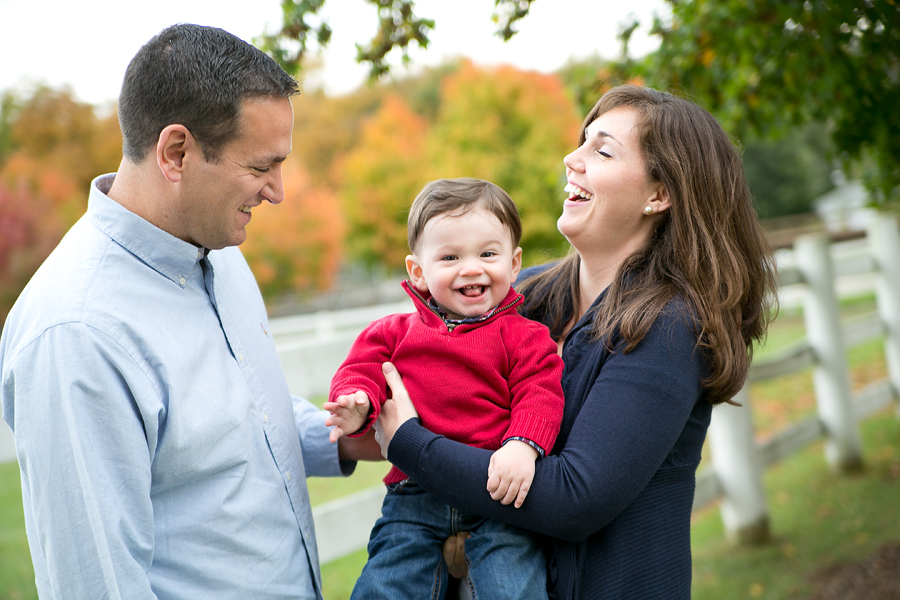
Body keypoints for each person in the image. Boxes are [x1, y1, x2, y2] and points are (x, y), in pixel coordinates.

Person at [0, 23, 376, 600]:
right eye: (260, 167)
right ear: (177, 152)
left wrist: (349, 436)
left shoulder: (219, 254)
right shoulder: (76, 334)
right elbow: (95, 585)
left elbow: (238, 422)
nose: (277, 191)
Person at [372, 84, 778, 599]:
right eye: (581, 142)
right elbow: (438, 394)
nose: (572, 158)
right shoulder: (522, 295)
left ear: (659, 195)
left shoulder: (669, 325)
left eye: (601, 150)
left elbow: (573, 498)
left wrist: (410, 445)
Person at [325, 178, 565, 599]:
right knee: (385, 584)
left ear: (513, 263)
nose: (471, 268)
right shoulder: (394, 333)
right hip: (412, 496)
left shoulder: (525, 337)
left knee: (514, 587)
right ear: (418, 272)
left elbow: (541, 393)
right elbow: (362, 368)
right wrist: (357, 401)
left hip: (494, 493)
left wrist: (523, 445)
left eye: (488, 254)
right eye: (450, 256)